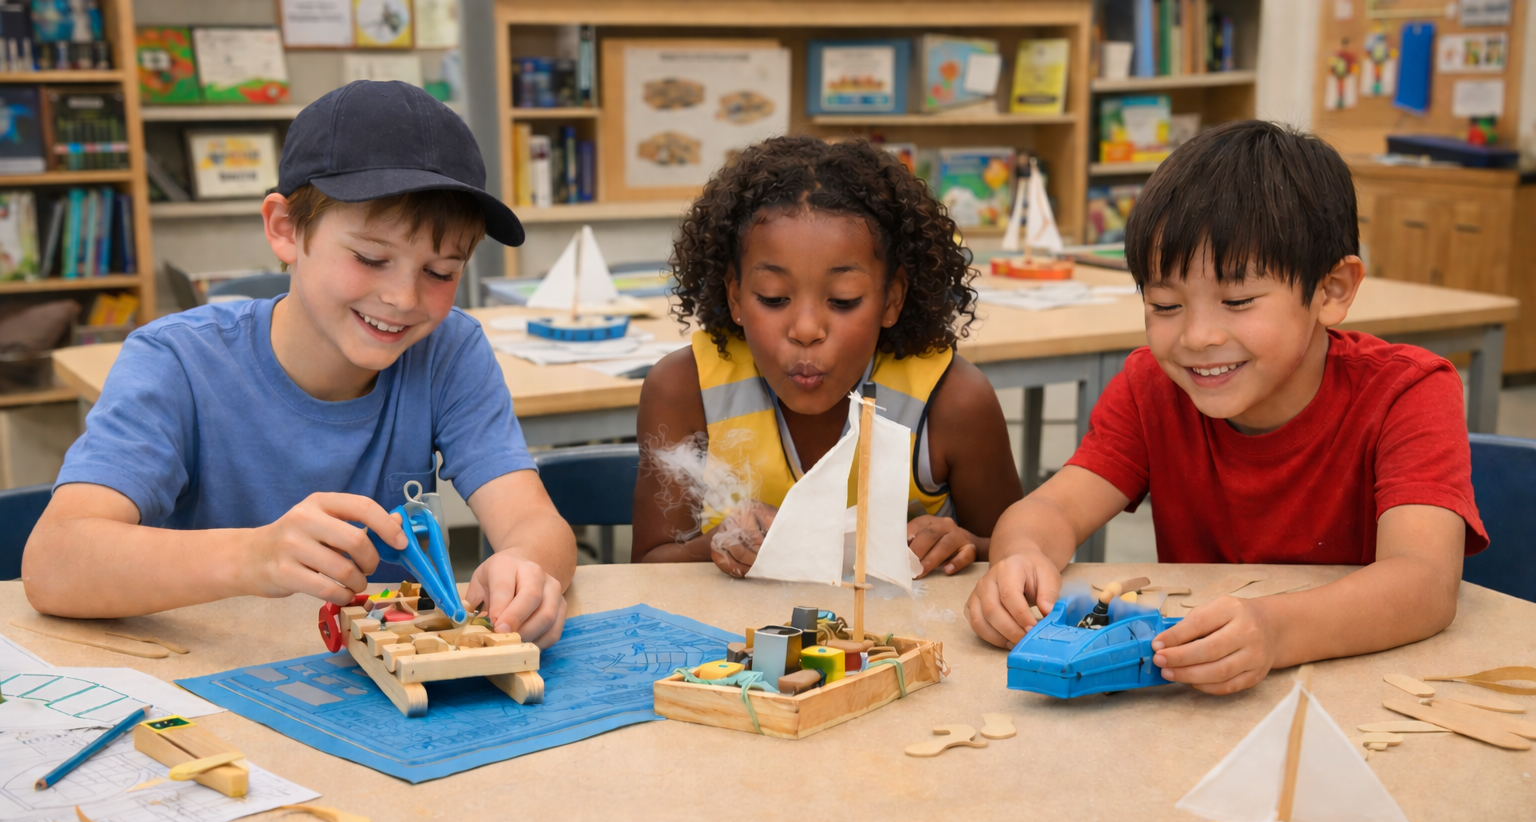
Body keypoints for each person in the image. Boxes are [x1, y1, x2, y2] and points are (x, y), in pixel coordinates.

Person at [23, 81, 576, 647]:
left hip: (375, 694)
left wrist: (527, 568)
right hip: (208, 676)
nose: (404, 299)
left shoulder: (448, 350)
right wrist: (254, 556)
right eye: (371, 257)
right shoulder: (176, 361)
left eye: (440, 272)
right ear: (285, 228)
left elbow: (536, 525)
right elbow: (53, 563)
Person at [965, 120, 1486, 694]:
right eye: (1165, 305)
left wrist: (1276, 631)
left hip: (1367, 697)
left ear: (1331, 289)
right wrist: (1017, 560)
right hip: (1199, 705)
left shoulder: (1408, 393)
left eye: (1237, 300)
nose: (1198, 336)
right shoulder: (1152, 389)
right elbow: (1052, 512)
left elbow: (1424, 585)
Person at [632, 135, 1021, 578]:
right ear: (735, 295)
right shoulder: (684, 390)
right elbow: (645, 567)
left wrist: (966, 542)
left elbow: (1019, 550)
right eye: (774, 298)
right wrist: (716, 546)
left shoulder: (954, 403)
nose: (806, 330)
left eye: (843, 299)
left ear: (892, 299)